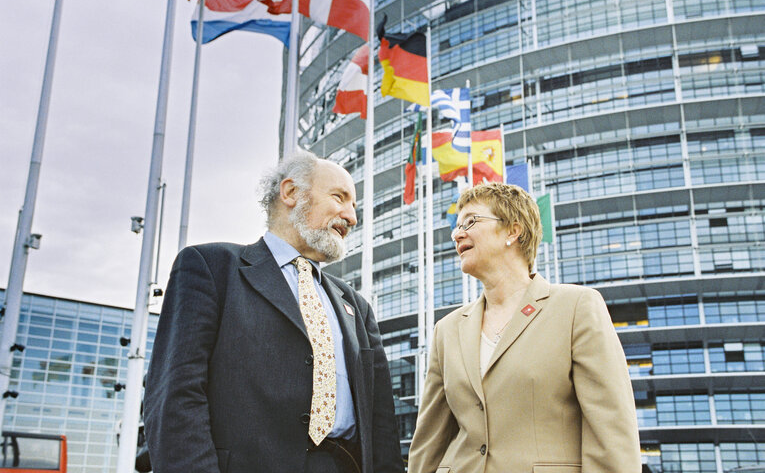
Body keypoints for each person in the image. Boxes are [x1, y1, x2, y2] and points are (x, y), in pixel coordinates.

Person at [144, 151, 404, 473]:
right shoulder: (212, 269)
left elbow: (381, 425)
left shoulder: (357, 307)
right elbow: (175, 400)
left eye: (354, 206)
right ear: (291, 192)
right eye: (340, 197)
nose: (351, 217)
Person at [407, 183, 640, 473]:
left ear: (512, 231)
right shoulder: (447, 330)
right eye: (457, 226)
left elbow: (612, 433)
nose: (457, 233)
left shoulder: (576, 307)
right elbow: (429, 443)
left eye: (471, 221)